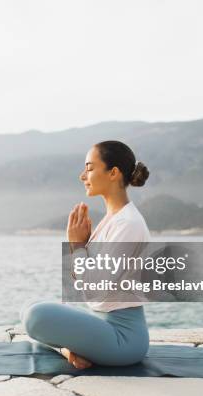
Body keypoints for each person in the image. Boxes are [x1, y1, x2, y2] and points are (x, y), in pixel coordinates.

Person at [19, 140, 151, 369]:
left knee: (36, 316)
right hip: (101, 323)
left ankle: (68, 347)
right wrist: (80, 248)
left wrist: (78, 247)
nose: (83, 176)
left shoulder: (128, 224)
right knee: (29, 305)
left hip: (123, 339)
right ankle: (68, 349)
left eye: (89, 168)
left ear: (113, 173)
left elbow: (95, 293)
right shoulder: (113, 220)